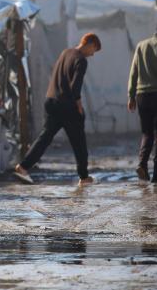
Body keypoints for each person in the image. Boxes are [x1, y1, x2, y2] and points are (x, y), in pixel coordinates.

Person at [14, 33, 102, 186]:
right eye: (94, 50)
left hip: (51, 101)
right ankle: (84, 177)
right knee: (79, 141)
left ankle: (23, 167)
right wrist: (79, 105)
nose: (92, 54)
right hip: (67, 105)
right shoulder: (80, 60)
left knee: (45, 138)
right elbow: (76, 87)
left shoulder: (65, 53)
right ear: (89, 43)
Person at [127, 15, 157, 183]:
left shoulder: (141, 46)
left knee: (147, 133)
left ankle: (142, 164)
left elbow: (133, 73)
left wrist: (131, 95)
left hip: (142, 96)